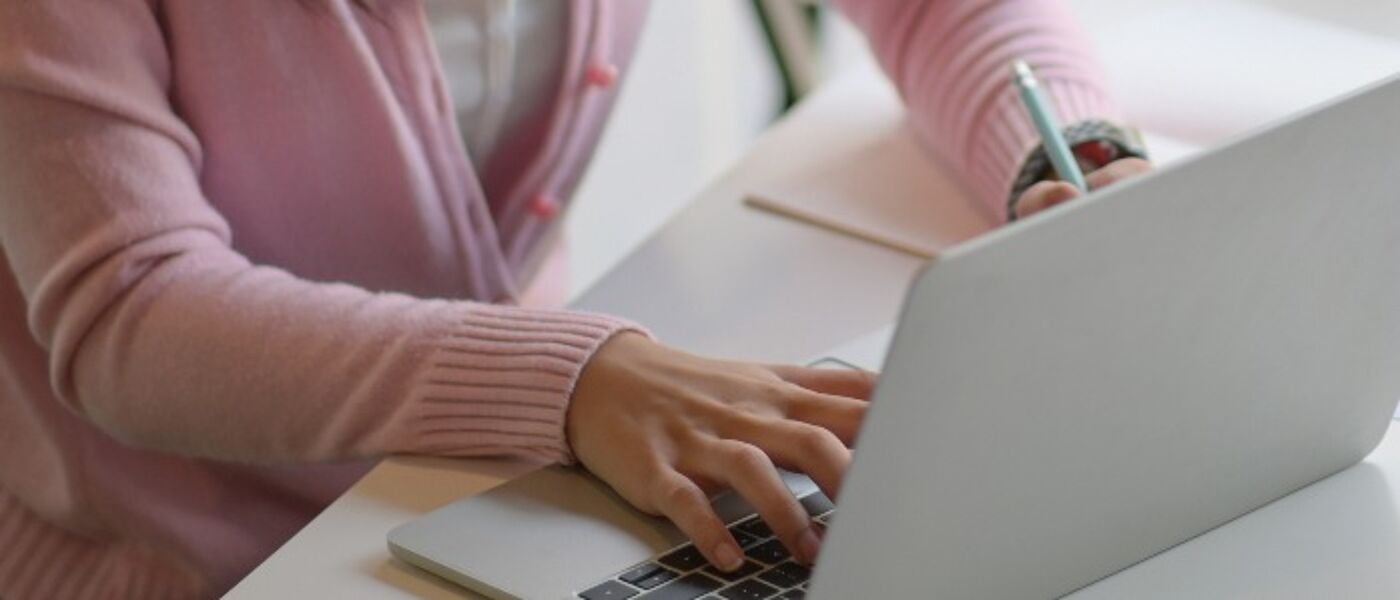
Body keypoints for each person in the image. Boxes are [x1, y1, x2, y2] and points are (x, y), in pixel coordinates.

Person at [0, 1, 1151, 597]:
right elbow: (132, 310)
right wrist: (578, 378)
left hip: (501, 486)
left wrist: (1067, 156)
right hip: (182, 555)